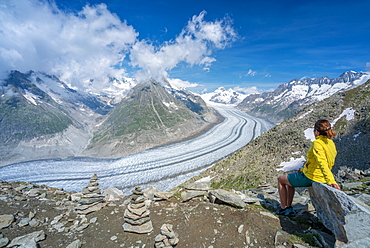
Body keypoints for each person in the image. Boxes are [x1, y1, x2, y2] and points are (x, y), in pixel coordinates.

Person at [277, 119, 341, 216]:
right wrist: (303, 169)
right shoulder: (330, 143)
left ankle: (284, 208)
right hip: (320, 176)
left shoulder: (317, 143)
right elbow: (323, 162)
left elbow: (322, 163)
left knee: (281, 179)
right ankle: (288, 207)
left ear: (316, 131)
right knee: (290, 181)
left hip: (312, 177)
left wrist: (331, 181)